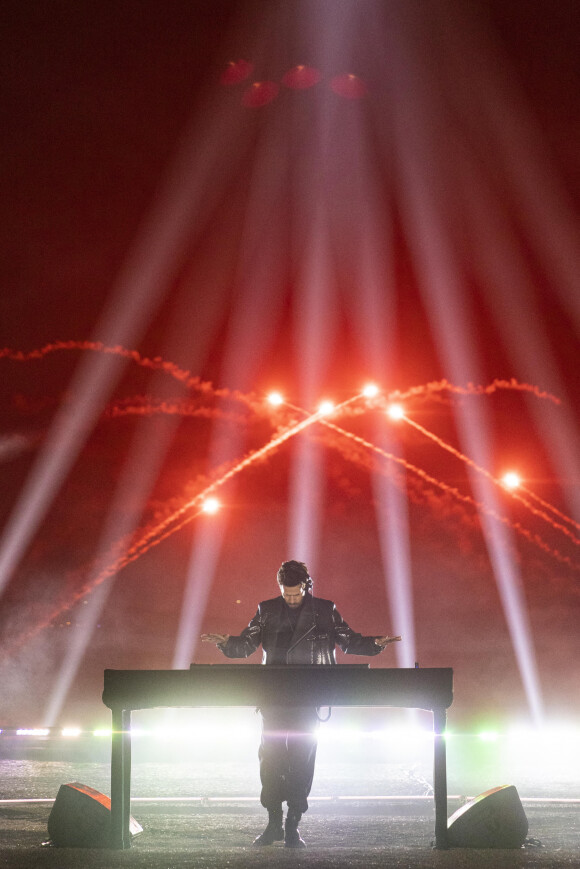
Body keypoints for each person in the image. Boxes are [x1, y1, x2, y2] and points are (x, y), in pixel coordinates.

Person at [201, 559, 401, 849]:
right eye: (286, 594)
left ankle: (292, 824)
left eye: (296, 593)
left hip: (308, 695)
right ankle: (273, 823)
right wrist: (226, 642)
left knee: (301, 761)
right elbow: (246, 644)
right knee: (270, 760)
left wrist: (376, 644)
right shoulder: (266, 610)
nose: (292, 599)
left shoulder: (325, 609)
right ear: (280, 588)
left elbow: (348, 640)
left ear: (307, 586)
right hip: (274, 696)